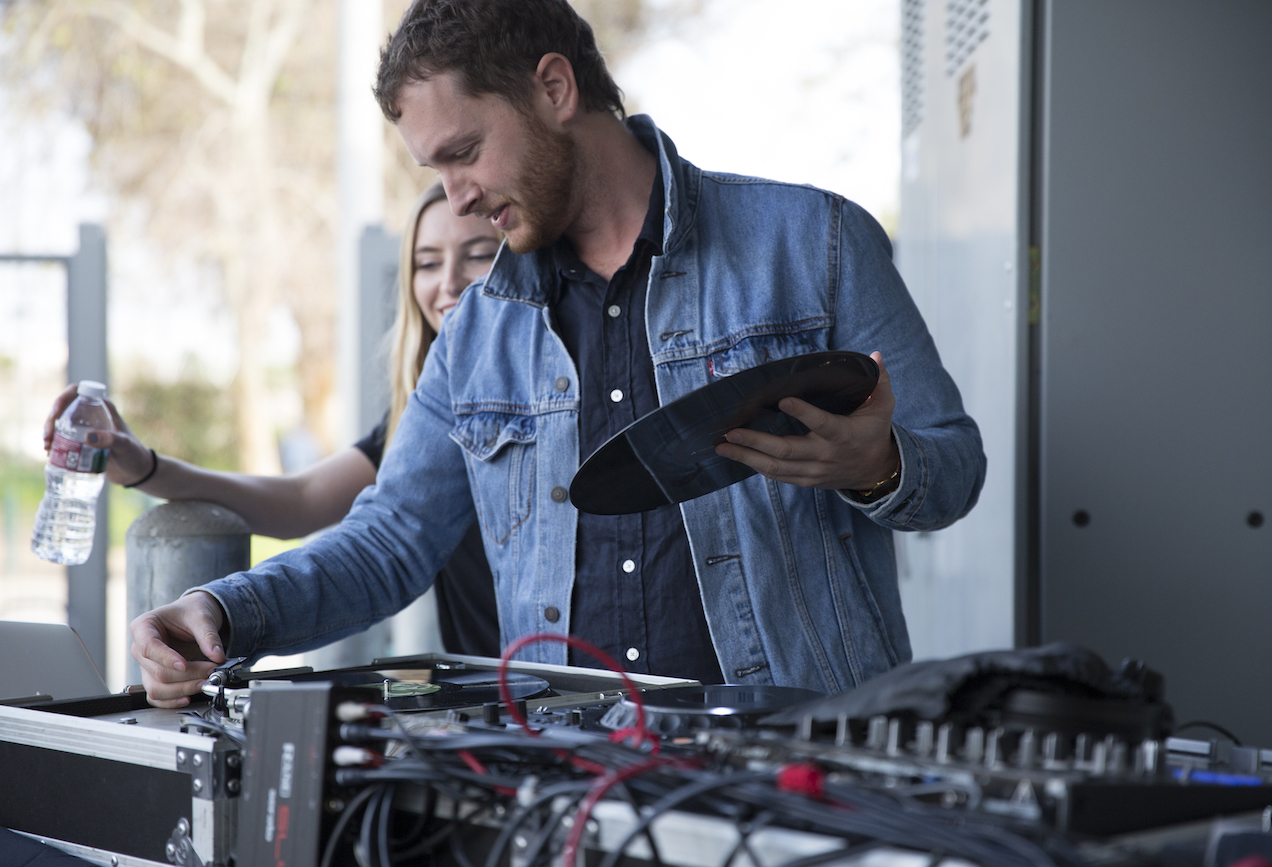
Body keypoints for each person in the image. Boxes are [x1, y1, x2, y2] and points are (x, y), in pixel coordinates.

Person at [131, 0, 987, 709]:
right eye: (435, 167)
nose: (456, 198)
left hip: (800, 770)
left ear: (553, 87)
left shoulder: (817, 242)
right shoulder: (473, 337)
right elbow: (387, 541)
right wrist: (222, 609)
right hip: (571, 782)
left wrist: (877, 465)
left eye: (464, 153)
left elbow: (953, 469)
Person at [46, 184, 502, 659]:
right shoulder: (418, 418)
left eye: (479, 255)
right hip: (495, 698)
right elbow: (302, 500)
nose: (449, 283)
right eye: (427, 263)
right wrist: (145, 469)